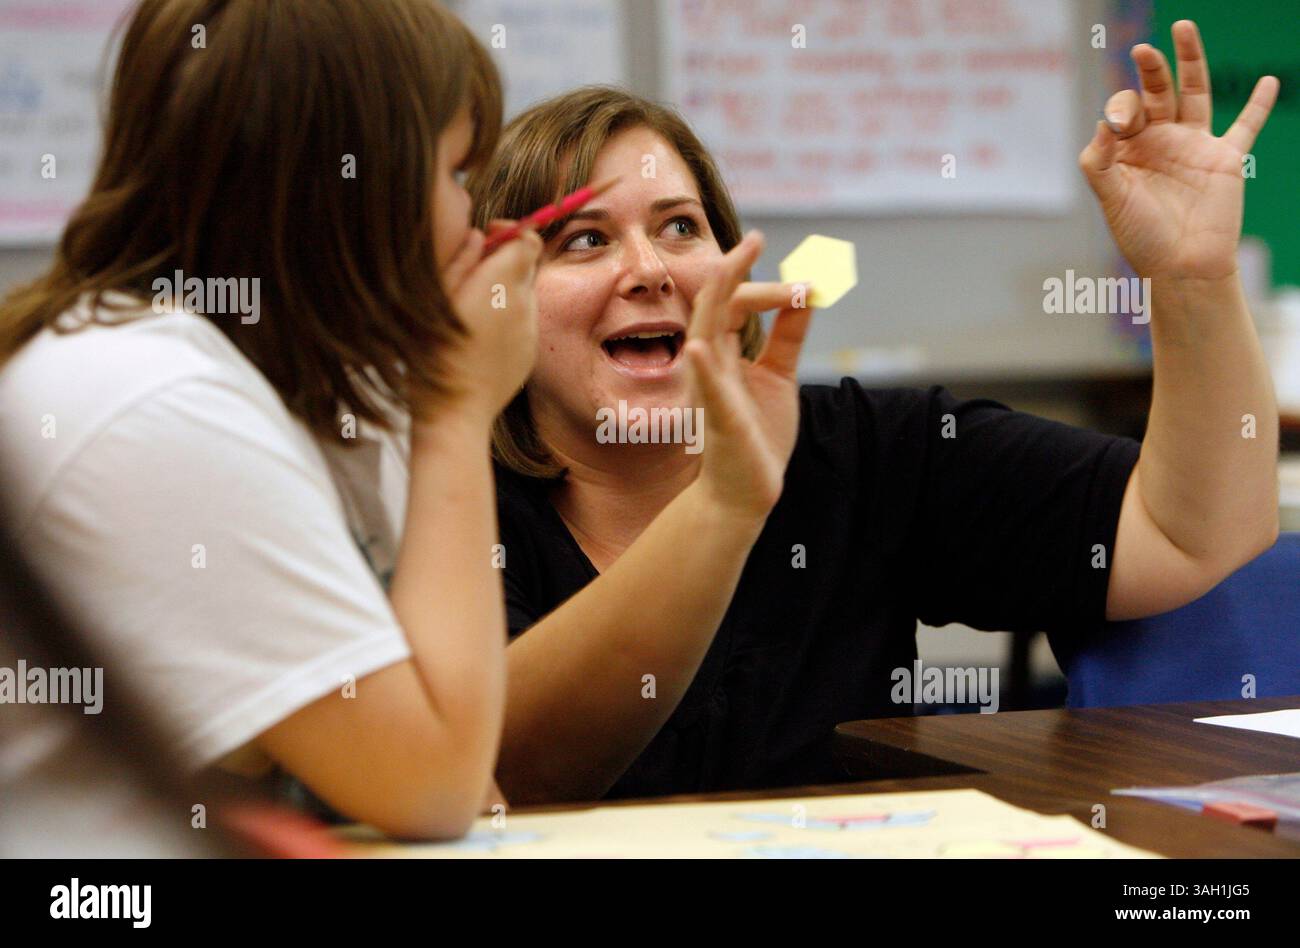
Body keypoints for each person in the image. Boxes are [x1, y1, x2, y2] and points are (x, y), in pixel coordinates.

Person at [469, 21, 1281, 804]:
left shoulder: (867, 449)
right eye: (583, 239)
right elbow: (508, 774)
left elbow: (1192, 533)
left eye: (680, 227)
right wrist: (726, 506)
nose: (647, 269)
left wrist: (1191, 280)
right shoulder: (445, 499)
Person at [0, 0, 541, 839]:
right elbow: (431, 788)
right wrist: (458, 411)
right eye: (454, 175)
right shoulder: (154, 395)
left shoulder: (330, 388)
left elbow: (467, 781)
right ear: (352, 189)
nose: (475, 220)